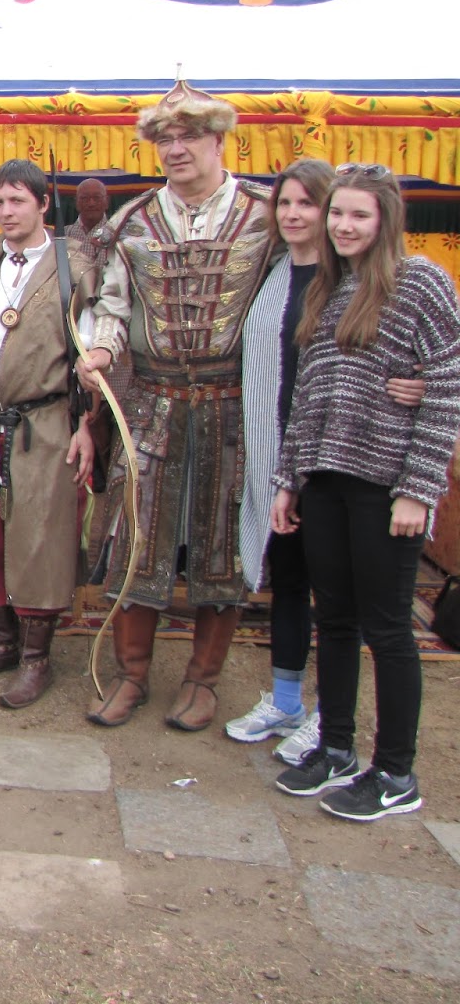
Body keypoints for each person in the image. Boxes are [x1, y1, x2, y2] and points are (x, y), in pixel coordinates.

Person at [77, 80, 275, 730]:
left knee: (221, 544)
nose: (176, 147)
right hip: (155, 402)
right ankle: (133, 674)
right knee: (141, 534)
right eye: (165, 138)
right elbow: (111, 303)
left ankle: (203, 681)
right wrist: (101, 351)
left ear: (220, 139)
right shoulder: (133, 223)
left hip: (233, 406)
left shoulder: (267, 216)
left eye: (190, 135)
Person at [270, 166, 460, 821]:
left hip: (386, 485)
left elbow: (448, 382)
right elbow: (308, 398)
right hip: (324, 478)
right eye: (338, 215)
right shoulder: (329, 287)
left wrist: (418, 488)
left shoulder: (421, 283)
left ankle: (397, 771)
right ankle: (338, 746)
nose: (344, 226)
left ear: (385, 220)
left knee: (389, 627)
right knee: (337, 620)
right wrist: (288, 481)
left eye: (359, 216)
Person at [232, 160, 426, 758]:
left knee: (359, 609)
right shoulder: (278, 275)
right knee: (294, 584)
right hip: (287, 457)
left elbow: (438, 362)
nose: (297, 215)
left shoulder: (386, 283)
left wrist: (423, 389)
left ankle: (350, 733)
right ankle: (295, 706)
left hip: (359, 465)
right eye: (285, 204)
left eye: (311, 206)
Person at [0, 160, 95, 707]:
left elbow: (92, 351)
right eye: (0, 203)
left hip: (47, 423)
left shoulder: (76, 265)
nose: (6, 213)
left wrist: (87, 425)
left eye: (18, 202)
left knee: (39, 543)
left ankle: (36, 660)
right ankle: (2, 644)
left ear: (43, 204)